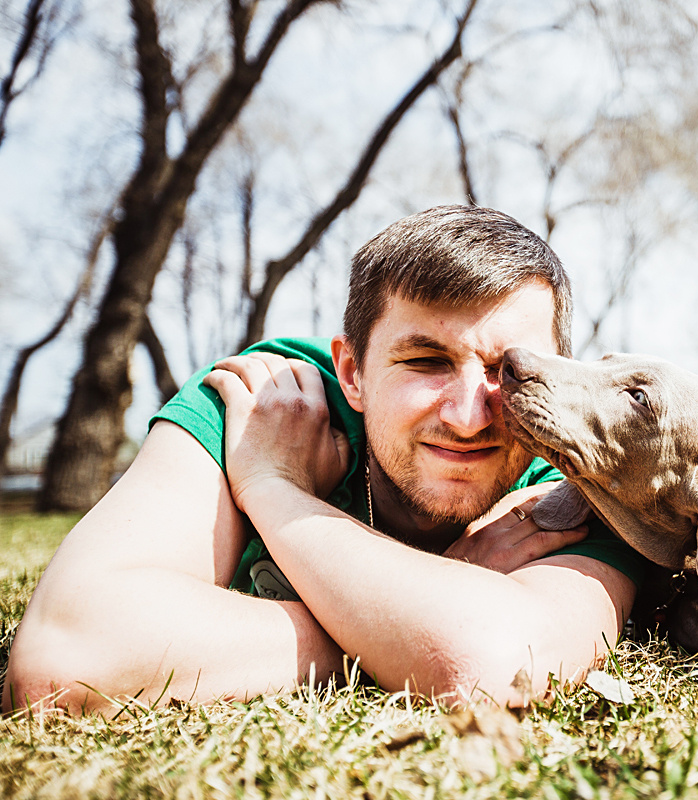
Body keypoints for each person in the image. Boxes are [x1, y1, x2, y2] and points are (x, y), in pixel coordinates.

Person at [4, 205, 646, 715]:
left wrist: (271, 489)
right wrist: (418, 622)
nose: (467, 416)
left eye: (510, 370)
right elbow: (66, 661)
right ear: (353, 372)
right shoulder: (260, 406)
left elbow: (499, 665)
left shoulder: (578, 485)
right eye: (425, 361)